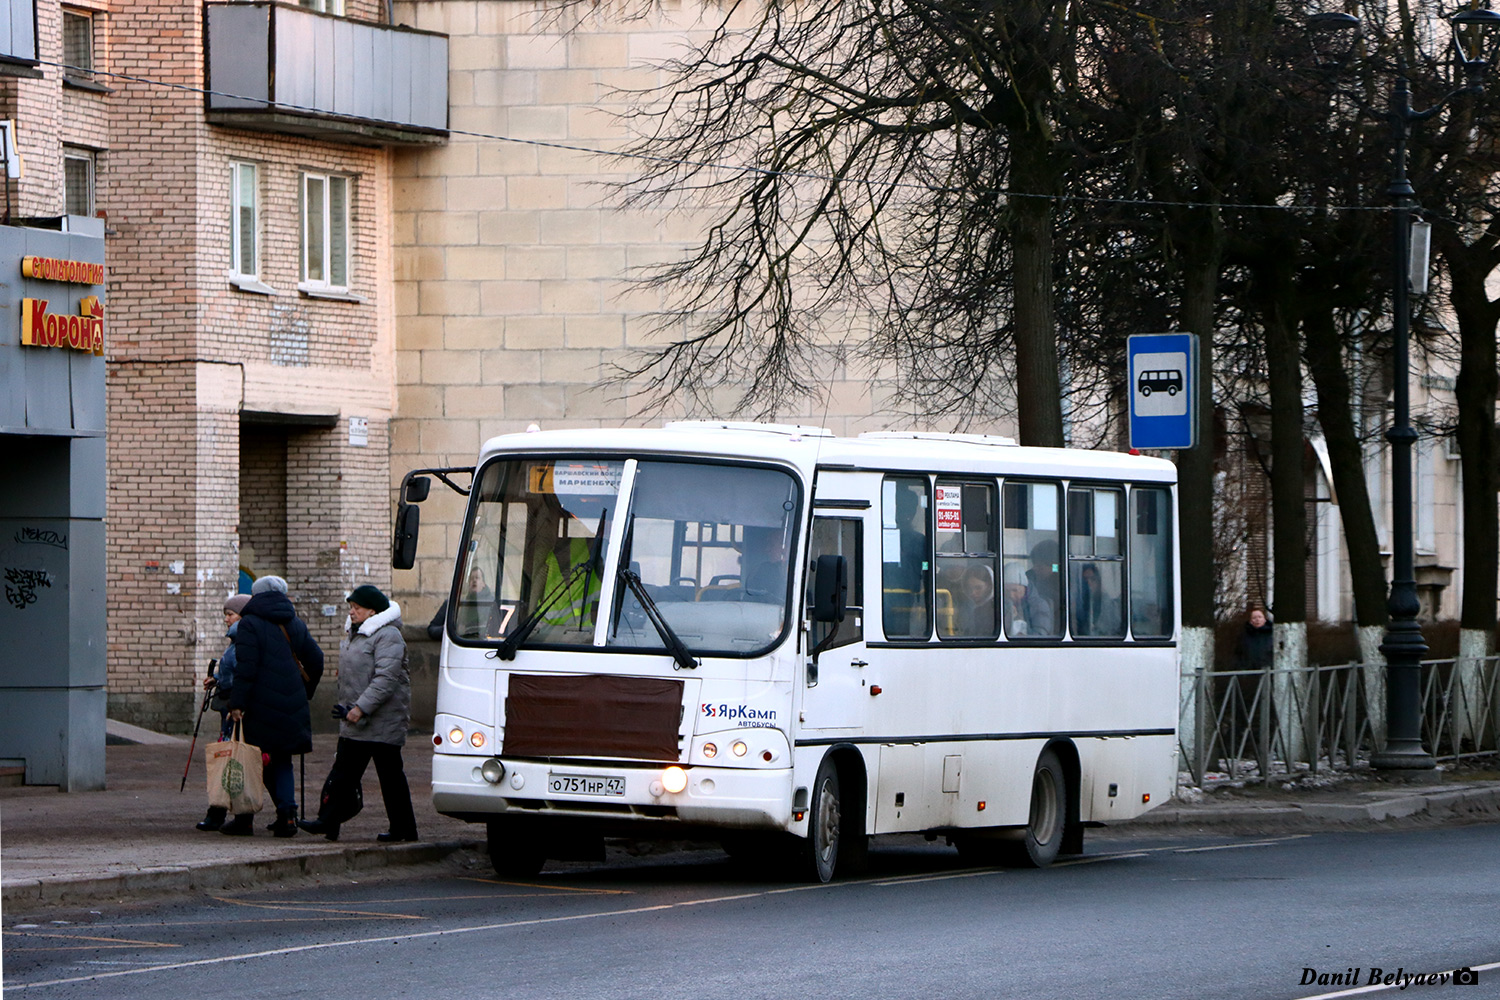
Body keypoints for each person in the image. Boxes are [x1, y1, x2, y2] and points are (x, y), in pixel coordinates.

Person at [299, 584, 418, 843]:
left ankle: (404, 828)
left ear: (372, 611)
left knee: (390, 777)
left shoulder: (388, 636)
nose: (351, 612)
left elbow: (386, 678)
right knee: (342, 774)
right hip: (355, 717)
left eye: (357, 608)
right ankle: (328, 822)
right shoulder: (356, 634)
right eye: (350, 607)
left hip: (381, 720)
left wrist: (361, 708)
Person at [223, 575, 324, 837]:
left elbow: (247, 667)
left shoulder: (250, 624)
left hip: (259, 702)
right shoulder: (294, 622)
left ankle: (244, 819)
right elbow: (316, 659)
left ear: (256, 596)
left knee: (250, 759)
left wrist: (238, 703)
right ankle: (288, 816)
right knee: (282, 759)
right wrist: (304, 692)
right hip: (291, 701)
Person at [195, 593, 250, 832]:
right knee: (228, 758)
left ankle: (231, 814)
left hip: (236, 710)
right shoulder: (234, 640)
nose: (226, 619)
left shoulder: (244, 640)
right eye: (225, 615)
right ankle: (222, 812)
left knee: (233, 759)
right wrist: (216, 679)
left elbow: (243, 672)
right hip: (229, 704)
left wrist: (235, 703)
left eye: (230, 614)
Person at [1073, 562, 1121, 637]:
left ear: (1098, 582)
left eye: (1093, 579)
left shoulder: (1108, 604)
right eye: (1085, 580)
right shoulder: (1077, 604)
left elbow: (1116, 629)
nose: (1089, 583)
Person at [1024, 538, 1061, 636]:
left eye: (1040, 566)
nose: (1035, 569)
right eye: (1034, 564)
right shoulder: (1027, 579)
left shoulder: (1062, 585)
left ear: (1054, 567)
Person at [741, 528, 789, 601]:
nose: (767, 549)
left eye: (772, 545)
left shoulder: (799, 572)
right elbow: (750, 598)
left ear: (784, 548)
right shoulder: (764, 571)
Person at [957, 565, 996, 636]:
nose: (973, 593)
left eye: (978, 588)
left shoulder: (1000, 607)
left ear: (990, 586)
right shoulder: (964, 606)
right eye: (969, 588)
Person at [1234, 606, 1274, 671]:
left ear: (1264, 619)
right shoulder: (1243, 636)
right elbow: (1238, 655)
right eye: (1254, 618)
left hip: (1268, 672)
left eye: (1260, 617)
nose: (1257, 620)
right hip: (1249, 672)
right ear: (1250, 621)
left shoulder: (1272, 635)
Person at [1002, 562, 1030, 636]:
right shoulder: (1000, 605)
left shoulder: (1038, 606)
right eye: (1007, 591)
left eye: (1015, 590)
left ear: (1024, 589)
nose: (1011, 595)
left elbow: (1039, 636)